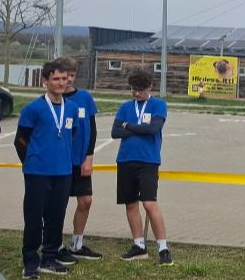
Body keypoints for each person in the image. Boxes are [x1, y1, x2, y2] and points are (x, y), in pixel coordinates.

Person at [14, 61, 79, 279]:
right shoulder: (33, 109)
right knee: (34, 217)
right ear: (45, 81)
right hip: (38, 172)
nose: (61, 83)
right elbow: (20, 140)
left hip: (63, 172)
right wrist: (31, 161)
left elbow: (71, 134)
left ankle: (49, 258)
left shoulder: (71, 108)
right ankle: (30, 261)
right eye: (56, 79)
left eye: (64, 78)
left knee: (56, 217)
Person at [112, 70, 172, 265]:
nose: (136, 93)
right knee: (130, 204)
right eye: (133, 90)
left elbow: (153, 129)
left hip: (148, 161)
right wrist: (138, 129)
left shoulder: (158, 105)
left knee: (149, 204)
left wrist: (128, 126)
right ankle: (139, 245)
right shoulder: (125, 107)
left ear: (149, 87)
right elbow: (115, 132)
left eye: (140, 90)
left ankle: (163, 248)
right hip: (126, 160)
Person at [60, 57, 102, 260]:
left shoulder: (85, 97)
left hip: (81, 161)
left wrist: (89, 156)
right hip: (60, 162)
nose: (68, 80)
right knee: (58, 203)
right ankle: (54, 244)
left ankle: (77, 244)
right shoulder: (54, 100)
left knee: (85, 201)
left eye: (71, 75)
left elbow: (92, 130)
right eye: (64, 76)